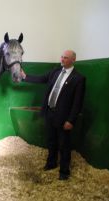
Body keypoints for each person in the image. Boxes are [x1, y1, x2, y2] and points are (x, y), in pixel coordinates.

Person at [20, 50, 86, 180]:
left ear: (73, 60)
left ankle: (64, 172)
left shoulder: (78, 78)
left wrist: (71, 120)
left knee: (64, 145)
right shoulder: (55, 72)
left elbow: (77, 103)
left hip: (64, 118)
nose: (62, 59)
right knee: (51, 141)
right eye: (62, 57)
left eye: (66, 58)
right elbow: (41, 79)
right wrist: (25, 76)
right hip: (49, 113)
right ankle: (51, 164)